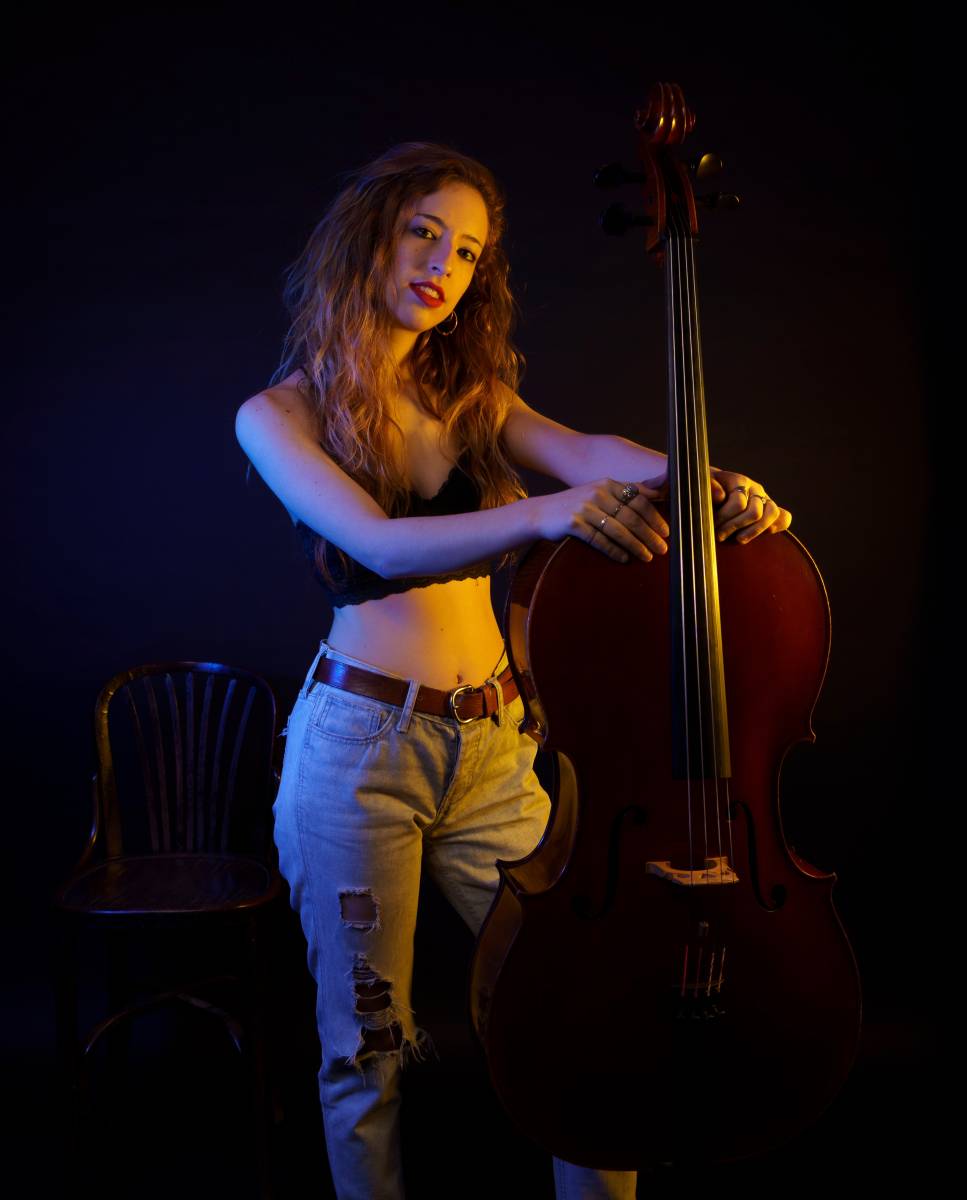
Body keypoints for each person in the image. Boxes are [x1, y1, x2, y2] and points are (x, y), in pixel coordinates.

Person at [235, 141, 792, 1200]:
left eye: (468, 250)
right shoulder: (279, 417)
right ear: (373, 235)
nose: (444, 262)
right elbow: (382, 548)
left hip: (495, 750)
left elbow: (590, 453)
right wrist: (547, 516)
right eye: (424, 232)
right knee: (368, 1048)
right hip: (359, 756)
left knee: (582, 1011)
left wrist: (708, 479)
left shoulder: (471, 396)